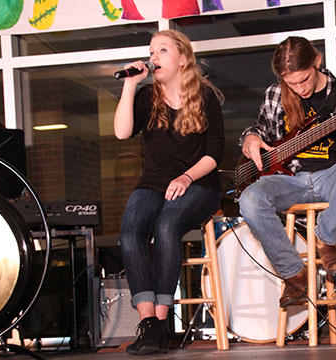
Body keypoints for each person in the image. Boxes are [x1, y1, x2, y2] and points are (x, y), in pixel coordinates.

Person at [238, 36, 336, 307]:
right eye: (292, 83)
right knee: (249, 199)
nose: (299, 89)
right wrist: (250, 138)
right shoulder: (275, 95)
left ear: (317, 62)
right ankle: (294, 273)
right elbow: (259, 130)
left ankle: (325, 238)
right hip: (289, 182)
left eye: (304, 80)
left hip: (333, 179)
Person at [114, 29, 225, 355]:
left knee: (166, 227)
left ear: (182, 58)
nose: (154, 57)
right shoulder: (147, 97)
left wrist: (187, 178)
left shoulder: (205, 98)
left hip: (199, 184)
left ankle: (159, 324)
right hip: (153, 182)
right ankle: (149, 323)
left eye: (162, 50)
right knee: (130, 233)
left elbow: (214, 154)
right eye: (152, 51)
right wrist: (130, 85)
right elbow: (122, 132)